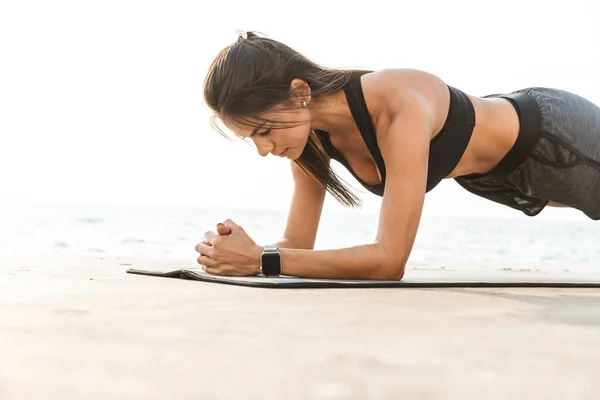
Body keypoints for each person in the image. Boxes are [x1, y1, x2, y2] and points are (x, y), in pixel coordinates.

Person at [194, 31, 600, 280]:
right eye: (252, 139)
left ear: (300, 92)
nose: (264, 150)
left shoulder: (395, 103)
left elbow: (388, 262)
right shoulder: (311, 140)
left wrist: (261, 262)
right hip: (501, 175)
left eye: (264, 131)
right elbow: (297, 243)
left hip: (556, 139)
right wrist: (242, 254)